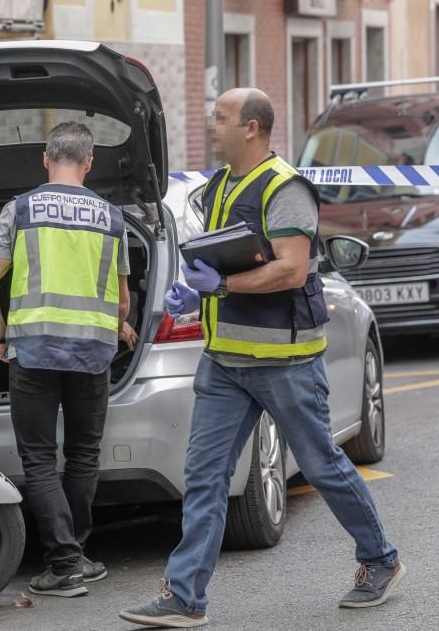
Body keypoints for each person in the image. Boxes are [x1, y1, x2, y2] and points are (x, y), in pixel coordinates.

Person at [119, 88, 404, 628]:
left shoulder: (285, 188)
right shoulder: (221, 184)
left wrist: (220, 286)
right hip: (226, 360)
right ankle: (185, 597)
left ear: (252, 128)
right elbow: (222, 254)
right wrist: (192, 287)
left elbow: (292, 270)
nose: (211, 125)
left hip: (286, 361)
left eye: (221, 118)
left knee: (322, 466)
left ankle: (380, 560)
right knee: (204, 477)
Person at [0, 122, 131, 598]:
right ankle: (76, 556)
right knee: (83, 454)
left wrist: (1, 335)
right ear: (89, 163)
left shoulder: (20, 210)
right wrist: (116, 324)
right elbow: (122, 302)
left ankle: (64, 566)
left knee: (39, 459)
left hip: (35, 350)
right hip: (92, 351)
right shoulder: (113, 217)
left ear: (46, 159)